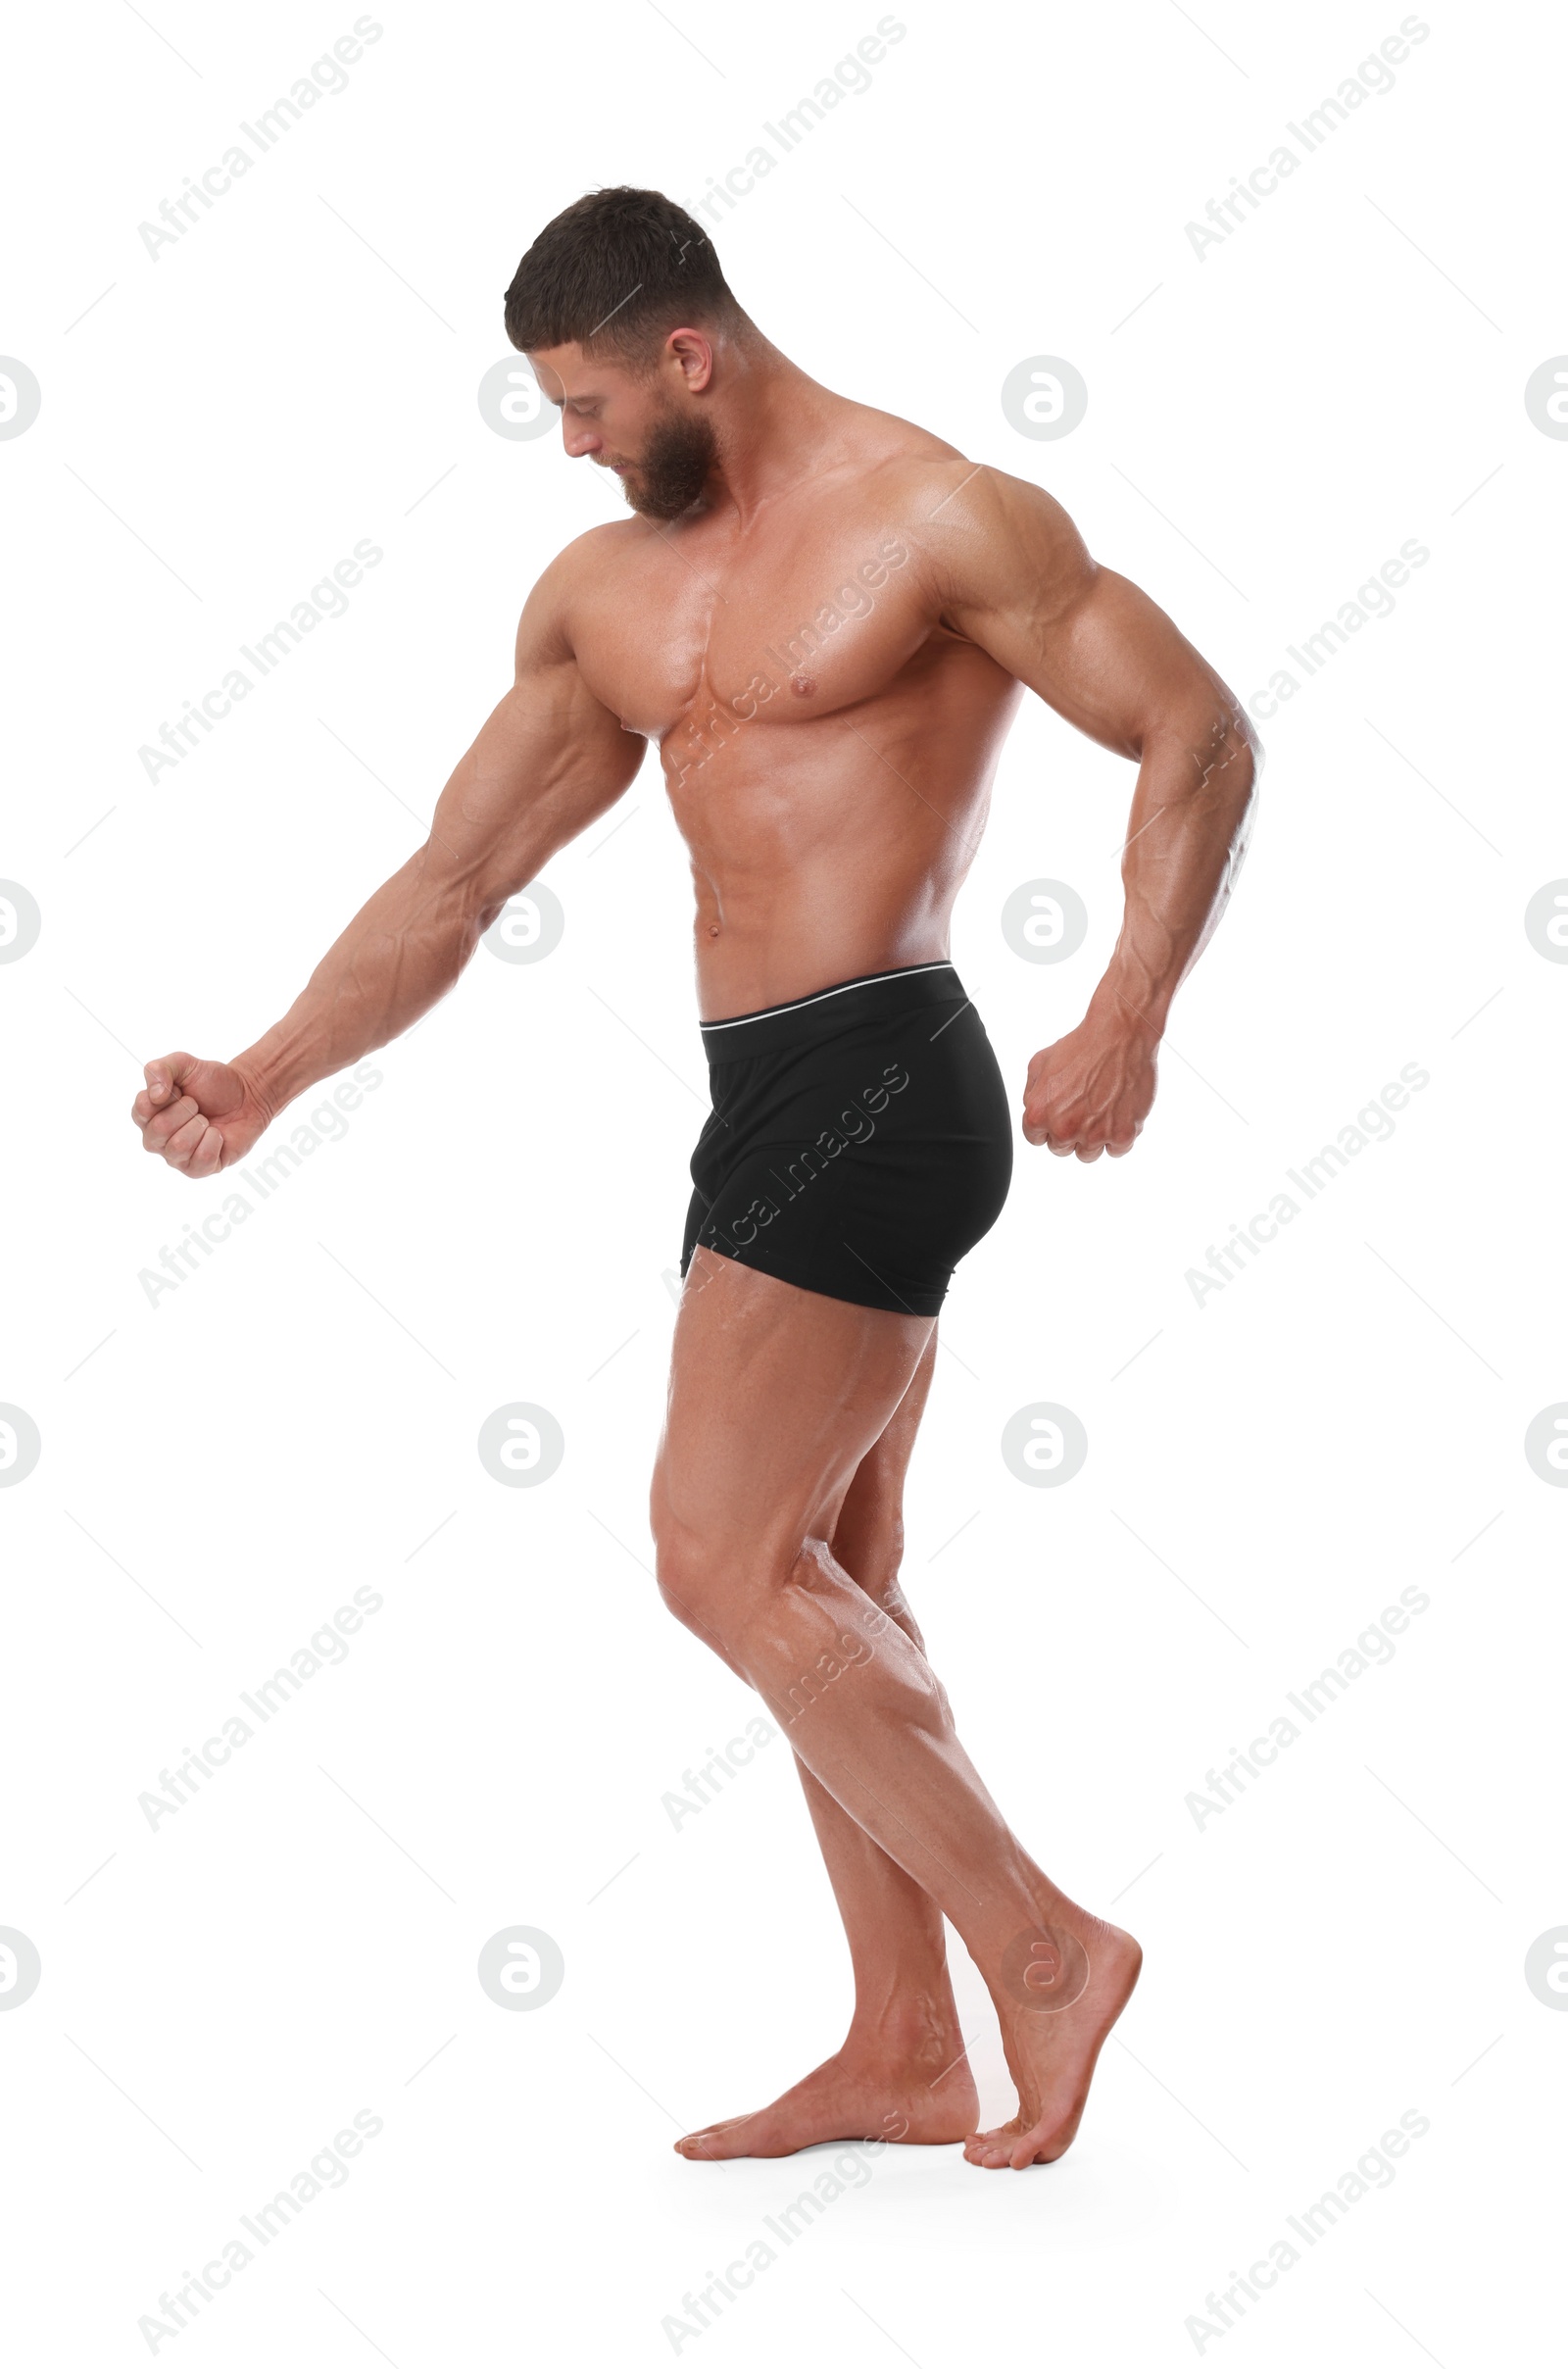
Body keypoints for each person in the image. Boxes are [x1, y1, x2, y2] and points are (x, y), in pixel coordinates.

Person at [130, 187, 1258, 2170]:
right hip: (756, 1095)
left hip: (885, 1067)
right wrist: (267, 1071)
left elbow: (1190, 728)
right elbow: (458, 876)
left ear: (686, 354)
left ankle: (1042, 1952)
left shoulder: (936, 515)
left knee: (713, 1558)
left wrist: (1129, 1009)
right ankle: (906, 2043)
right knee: (832, 1581)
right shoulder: (604, 596)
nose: (563, 445)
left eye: (577, 403)